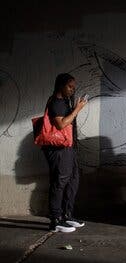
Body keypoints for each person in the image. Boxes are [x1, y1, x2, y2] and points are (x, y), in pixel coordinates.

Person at [42, 73, 87, 232]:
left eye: (74, 87)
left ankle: (67, 215)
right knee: (59, 182)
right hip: (58, 149)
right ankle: (55, 220)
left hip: (68, 147)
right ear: (61, 85)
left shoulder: (64, 102)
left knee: (73, 179)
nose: (72, 90)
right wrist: (77, 109)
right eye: (70, 86)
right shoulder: (56, 102)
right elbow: (61, 125)